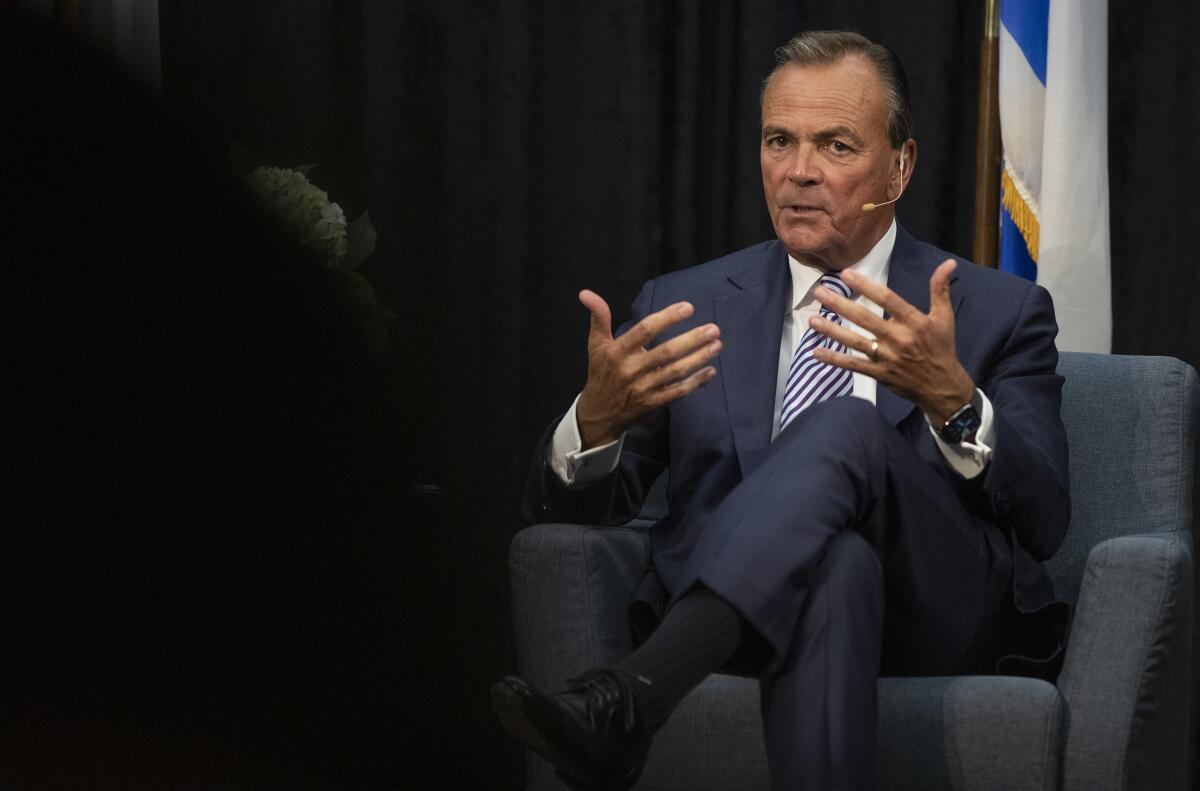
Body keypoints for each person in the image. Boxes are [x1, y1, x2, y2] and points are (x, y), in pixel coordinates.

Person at [492, 30, 1069, 791]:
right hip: (738, 614)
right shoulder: (684, 304)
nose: (798, 172)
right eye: (778, 141)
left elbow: (1047, 516)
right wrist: (592, 424)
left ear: (900, 165)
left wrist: (954, 398)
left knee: (850, 425)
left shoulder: (999, 310)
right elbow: (563, 508)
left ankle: (633, 693)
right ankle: (629, 701)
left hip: (933, 610)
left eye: (835, 145)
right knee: (835, 564)